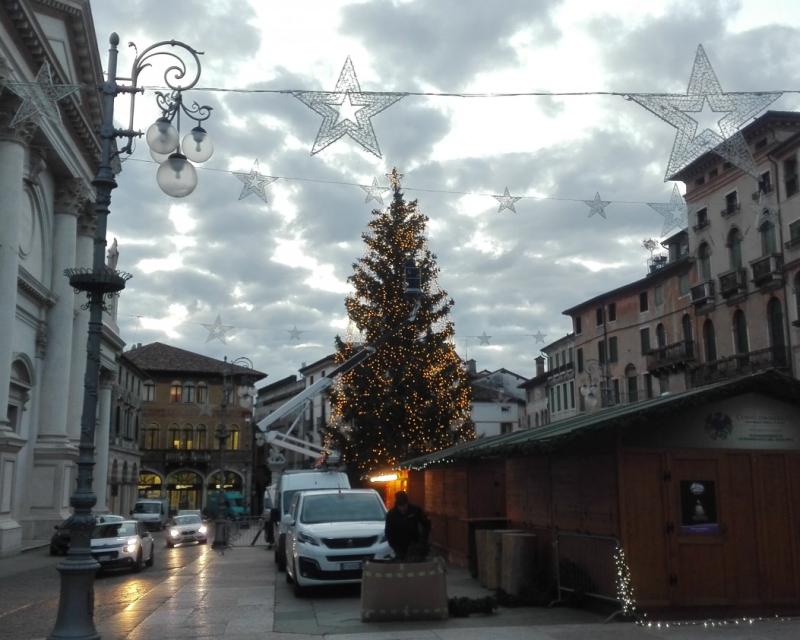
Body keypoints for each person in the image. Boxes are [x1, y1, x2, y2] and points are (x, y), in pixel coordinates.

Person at [385, 490, 431, 561]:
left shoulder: (415, 511)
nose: (403, 508)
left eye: (404, 505)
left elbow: (426, 525)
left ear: (407, 503)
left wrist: (423, 541)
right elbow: (388, 532)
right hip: (398, 546)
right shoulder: (391, 515)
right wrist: (394, 546)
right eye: (401, 506)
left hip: (414, 544)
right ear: (397, 505)